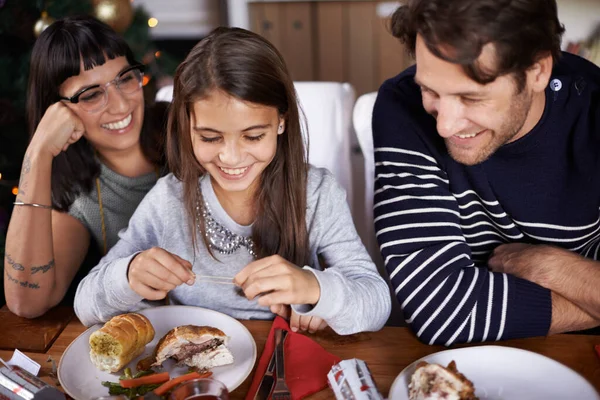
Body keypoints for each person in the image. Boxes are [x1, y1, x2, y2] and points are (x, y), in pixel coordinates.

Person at [74, 27, 391, 334]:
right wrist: (128, 275)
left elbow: (376, 301)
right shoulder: (167, 200)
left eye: (253, 136)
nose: (232, 158)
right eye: (210, 138)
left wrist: (315, 288)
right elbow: (85, 304)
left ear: (281, 121)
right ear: (188, 128)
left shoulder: (316, 193)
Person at [373, 0, 600, 346]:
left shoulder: (593, 112)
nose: (446, 126)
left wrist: (552, 268)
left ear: (537, 71)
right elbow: (440, 310)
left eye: (472, 97)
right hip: (467, 356)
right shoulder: (400, 106)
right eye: (430, 90)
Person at [4, 15, 166, 318]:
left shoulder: (190, 132)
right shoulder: (80, 194)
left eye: (126, 78)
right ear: (58, 110)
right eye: (91, 94)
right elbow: (26, 303)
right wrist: (38, 153)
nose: (119, 105)